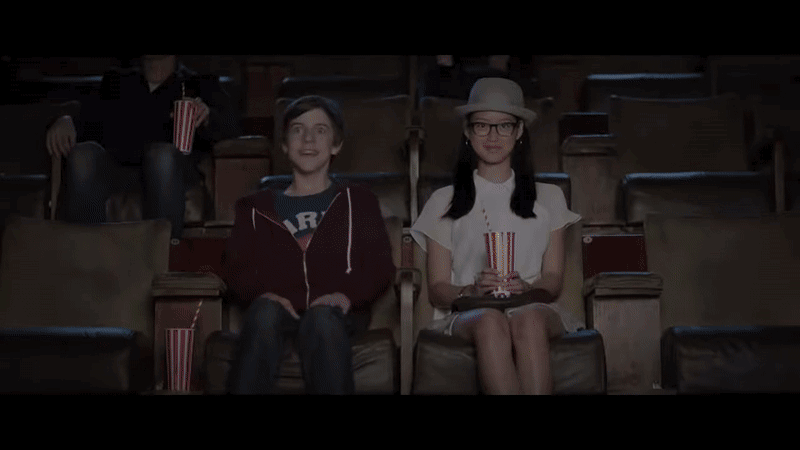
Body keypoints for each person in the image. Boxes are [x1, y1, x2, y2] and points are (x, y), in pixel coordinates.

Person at [410, 77, 582, 395]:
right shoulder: (442, 200)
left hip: (534, 306)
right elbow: (437, 290)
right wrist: (470, 289)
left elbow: (554, 279)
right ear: (467, 131)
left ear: (518, 133)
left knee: (527, 319)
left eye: (504, 126)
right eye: (482, 126)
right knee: (490, 321)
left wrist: (528, 287)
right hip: (469, 313)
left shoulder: (550, 197)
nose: (492, 136)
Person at [222, 95, 395, 394]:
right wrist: (263, 295)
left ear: (336, 145)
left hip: (337, 313)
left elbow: (380, 266)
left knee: (322, 319)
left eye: (321, 130)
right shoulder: (254, 207)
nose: (308, 139)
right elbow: (235, 268)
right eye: (298, 130)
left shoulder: (359, 200)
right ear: (285, 146)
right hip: (277, 311)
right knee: (263, 313)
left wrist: (345, 296)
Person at [45, 55, 241, 239]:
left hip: (171, 174)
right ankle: (85, 262)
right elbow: (87, 118)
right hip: (118, 170)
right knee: (83, 154)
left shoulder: (200, 84)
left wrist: (206, 116)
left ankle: (164, 259)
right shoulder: (116, 81)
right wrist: (66, 120)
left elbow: (232, 128)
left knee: (161, 156)